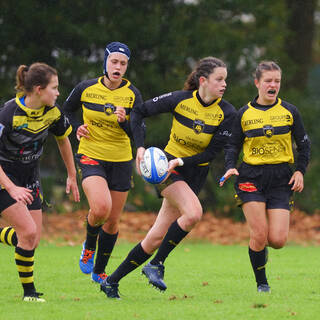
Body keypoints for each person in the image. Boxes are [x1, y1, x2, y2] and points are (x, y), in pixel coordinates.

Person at [100, 56, 237, 299]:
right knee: (194, 213)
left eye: (225, 79)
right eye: (219, 79)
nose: (224, 84)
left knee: (155, 237)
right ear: (203, 81)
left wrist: (183, 161)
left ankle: (111, 281)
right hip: (166, 170)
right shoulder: (180, 99)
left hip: (193, 171)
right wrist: (140, 147)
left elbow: (212, 152)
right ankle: (156, 264)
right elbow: (138, 112)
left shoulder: (227, 113)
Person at [219, 61, 311, 293]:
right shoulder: (243, 114)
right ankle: (262, 284)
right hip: (251, 177)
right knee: (259, 234)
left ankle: (259, 249)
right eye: (268, 81)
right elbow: (232, 145)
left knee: (278, 240)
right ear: (257, 83)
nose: (273, 85)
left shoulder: (290, 112)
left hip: (281, 179)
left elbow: (304, 145)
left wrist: (300, 170)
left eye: (277, 81)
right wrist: (230, 166)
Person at [62, 42, 143, 284]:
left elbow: (138, 131)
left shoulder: (133, 94)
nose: (118, 67)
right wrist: (77, 128)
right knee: (100, 208)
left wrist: (124, 122)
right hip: (91, 154)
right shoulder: (86, 88)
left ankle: (99, 270)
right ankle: (89, 245)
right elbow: (66, 111)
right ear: (105, 63)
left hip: (120, 160)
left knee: (113, 220)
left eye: (123, 63)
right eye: (114, 62)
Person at [0, 62, 80, 302]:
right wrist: (11, 187)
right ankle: (29, 294)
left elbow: (64, 140)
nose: (57, 93)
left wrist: (72, 175)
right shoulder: (8, 113)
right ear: (38, 89)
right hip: (4, 177)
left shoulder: (52, 112)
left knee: (32, 239)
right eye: (54, 88)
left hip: (30, 176)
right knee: (28, 232)